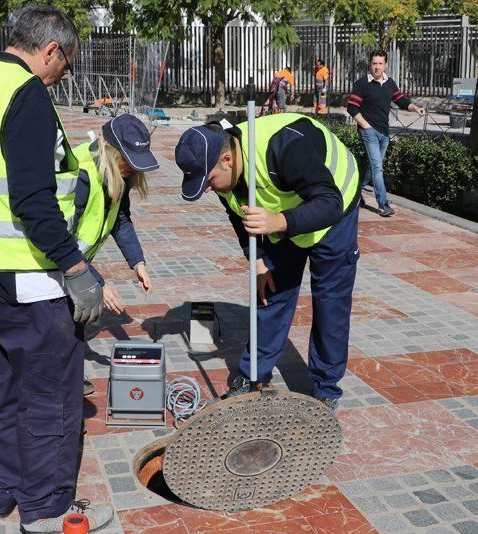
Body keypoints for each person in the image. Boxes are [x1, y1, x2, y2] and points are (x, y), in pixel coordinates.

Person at [0, 5, 112, 534]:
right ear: (51, 50)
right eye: (65, 65)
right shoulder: (26, 94)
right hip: (29, 281)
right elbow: (35, 199)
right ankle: (45, 508)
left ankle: (1, 492)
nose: (62, 76)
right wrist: (76, 265)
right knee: (50, 396)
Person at [174, 113, 361, 412]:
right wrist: (258, 260)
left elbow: (330, 203)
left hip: (334, 210)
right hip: (281, 216)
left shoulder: (285, 146)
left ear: (227, 159)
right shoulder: (224, 177)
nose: (207, 189)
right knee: (271, 294)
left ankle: (326, 389)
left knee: (330, 302)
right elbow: (238, 214)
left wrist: (279, 221)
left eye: (208, 181)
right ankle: (252, 378)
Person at [70, 114, 158, 313]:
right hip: (55, 265)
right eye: (129, 161)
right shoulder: (81, 175)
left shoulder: (117, 174)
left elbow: (120, 218)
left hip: (75, 265)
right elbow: (61, 240)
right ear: (110, 151)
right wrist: (98, 283)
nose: (134, 169)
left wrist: (138, 263)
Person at [347, 49, 425, 217]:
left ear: (386, 65)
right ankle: (383, 204)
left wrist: (415, 108)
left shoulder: (389, 83)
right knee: (378, 167)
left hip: (384, 133)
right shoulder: (361, 84)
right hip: (368, 132)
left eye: (380, 63)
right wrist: (365, 126)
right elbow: (352, 107)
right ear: (369, 64)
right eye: (374, 63)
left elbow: (401, 100)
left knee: (373, 166)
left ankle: (355, 194)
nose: (377, 67)